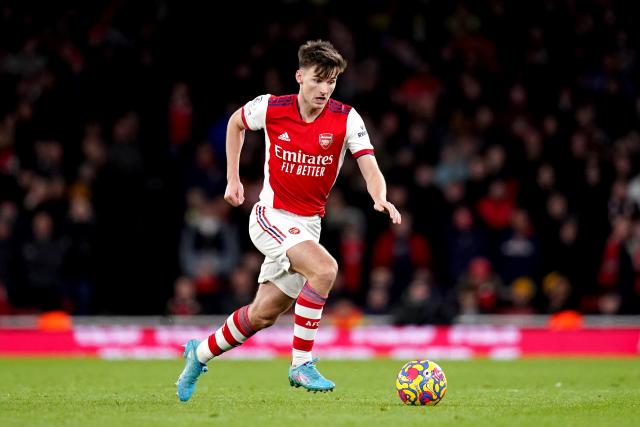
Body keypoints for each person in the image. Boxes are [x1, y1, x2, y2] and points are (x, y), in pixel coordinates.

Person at [176, 39, 401, 401]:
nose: (325, 89)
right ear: (300, 76)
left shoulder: (346, 118)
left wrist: (381, 196)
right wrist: (233, 178)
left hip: (308, 225)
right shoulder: (272, 107)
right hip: (271, 216)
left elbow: (369, 164)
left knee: (263, 314)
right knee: (325, 269)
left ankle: (198, 354)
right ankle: (301, 363)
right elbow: (236, 123)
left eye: (332, 82)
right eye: (318, 80)